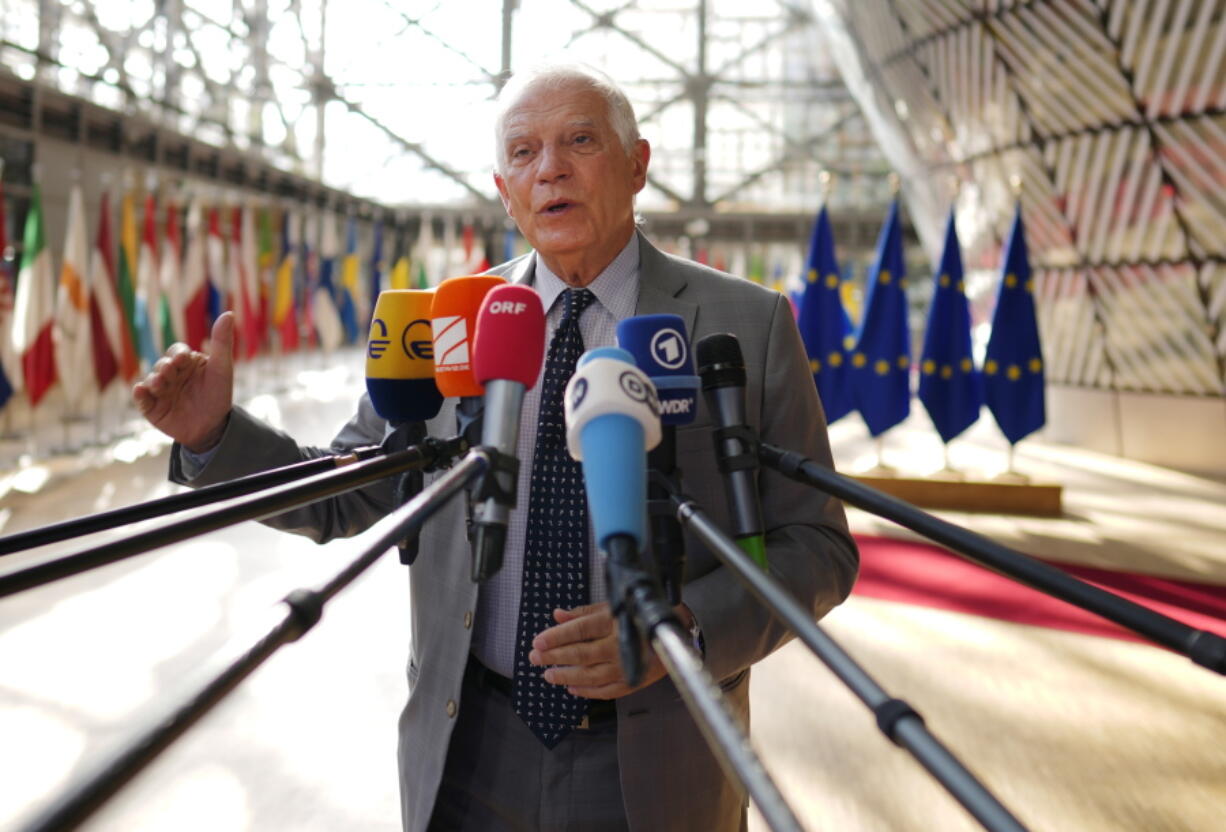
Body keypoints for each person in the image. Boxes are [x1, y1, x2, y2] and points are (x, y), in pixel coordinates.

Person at [135, 64, 858, 832]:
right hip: (467, 749)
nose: (550, 168)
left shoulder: (749, 322)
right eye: (523, 153)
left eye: (579, 141)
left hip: (657, 757)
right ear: (504, 189)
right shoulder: (445, 322)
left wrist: (682, 632)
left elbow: (817, 546)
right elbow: (353, 488)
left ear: (637, 164)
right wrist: (216, 436)